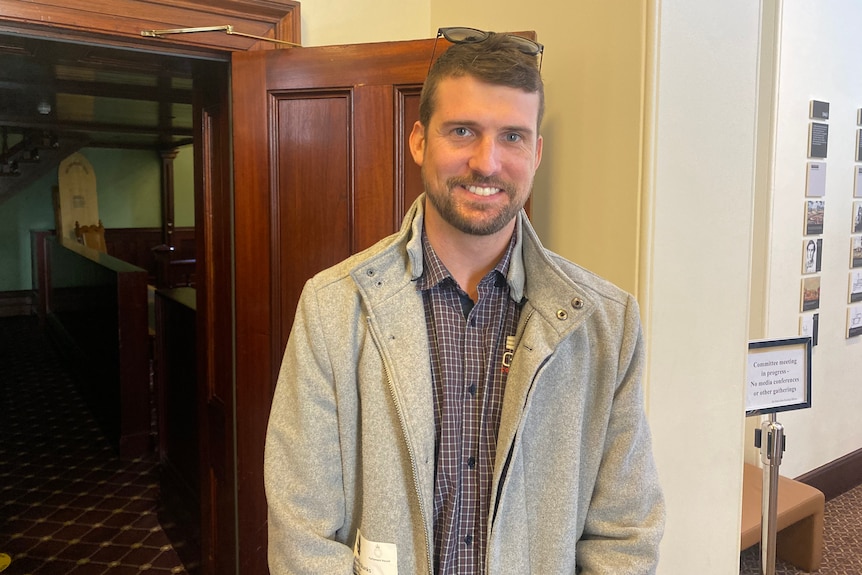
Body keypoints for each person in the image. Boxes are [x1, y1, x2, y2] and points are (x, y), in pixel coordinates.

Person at [265, 27, 665, 575]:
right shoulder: (334, 308)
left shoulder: (606, 324)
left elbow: (626, 534)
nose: (487, 162)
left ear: (536, 152)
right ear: (419, 141)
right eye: (462, 131)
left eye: (513, 137)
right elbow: (300, 530)